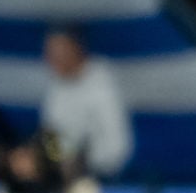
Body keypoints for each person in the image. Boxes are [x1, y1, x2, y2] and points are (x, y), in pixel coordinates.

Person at [40, 27, 132, 178]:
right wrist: (59, 161)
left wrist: (84, 162)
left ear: (76, 49)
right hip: (65, 177)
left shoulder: (102, 82)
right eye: (49, 53)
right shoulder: (55, 87)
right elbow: (50, 133)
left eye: (58, 52)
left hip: (108, 180)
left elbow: (118, 148)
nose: (51, 59)